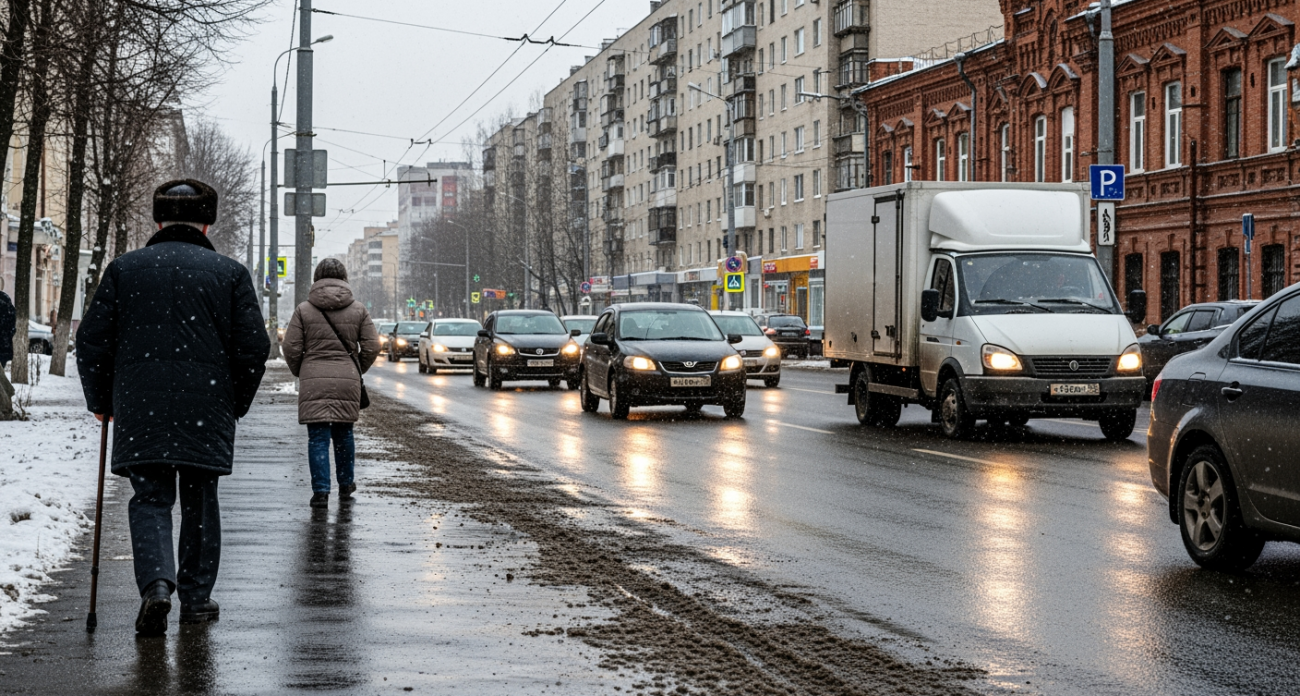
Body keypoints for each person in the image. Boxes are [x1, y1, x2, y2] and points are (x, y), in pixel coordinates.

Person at [76, 179, 269, 636]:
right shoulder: (230, 274)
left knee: (149, 497)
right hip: (207, 404)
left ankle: (157, 586)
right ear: (207, 224)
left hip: (139, 404)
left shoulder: (124, 269)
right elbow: (253, 348)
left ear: (159, 221)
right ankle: (196, 599)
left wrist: (101, 401)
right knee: (200, 499)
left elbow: (92, 340)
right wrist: (234, 402)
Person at [281, 258, 379, 509]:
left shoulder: (304, 310)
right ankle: (345, 484)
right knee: (344, 433)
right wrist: (356, 368)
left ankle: (321, 492)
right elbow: (372, 346)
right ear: (345, 278)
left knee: (318, 437)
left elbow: (290, 347)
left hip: (313, 379)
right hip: (347, 380)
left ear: (317, 279)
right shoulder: (358, 309)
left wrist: (302, 370)